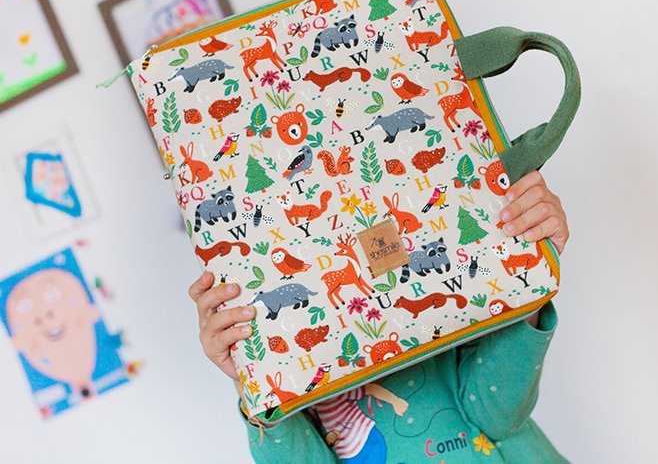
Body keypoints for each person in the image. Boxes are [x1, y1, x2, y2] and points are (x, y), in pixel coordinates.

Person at [189, 170, 569, 463]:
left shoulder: (404, 249)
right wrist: (251, 376)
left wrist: (526, 269)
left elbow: (497, 412)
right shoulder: (287, 336)